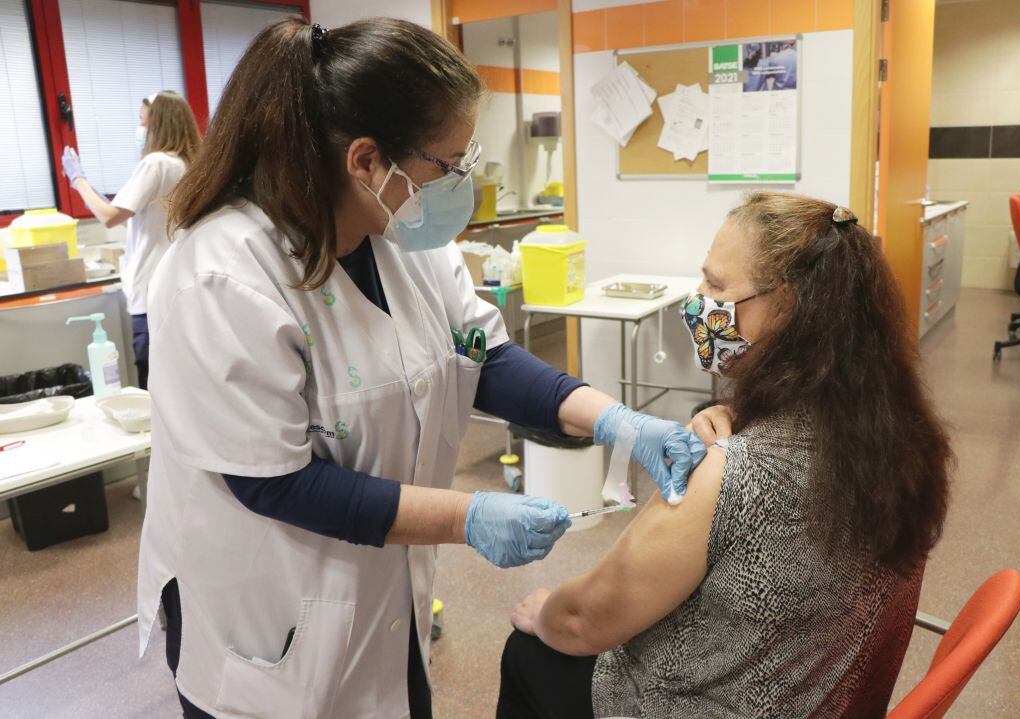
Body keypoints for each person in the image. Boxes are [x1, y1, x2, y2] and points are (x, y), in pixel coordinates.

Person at [136, 17, 706, 719]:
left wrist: (618, 420)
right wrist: (469, 514)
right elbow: (277, 486)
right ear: (368, 161)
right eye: (450, 163)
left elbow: (483, 358)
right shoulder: (221, 272)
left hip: (378, 589)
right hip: (265, 606)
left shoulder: (405, 238)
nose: (460, 184)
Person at [497, 192, 953, 719]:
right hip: (814, 685)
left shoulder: (740, 472)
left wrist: (544, 611)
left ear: (791, 306)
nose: (697, 300)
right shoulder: (895, 427)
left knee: (530, 651)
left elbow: (585, 619)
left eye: (716, 285)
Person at [61, 91, 201, 390]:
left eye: (142, 121)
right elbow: (134, 211)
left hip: (151, 292)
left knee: (153, 383)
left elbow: (109, 216)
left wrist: (77, 180)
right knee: (181, 382)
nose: (140, 129)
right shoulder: (187, 165)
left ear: (158, 124)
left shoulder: (157, 163)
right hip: (179, 288)